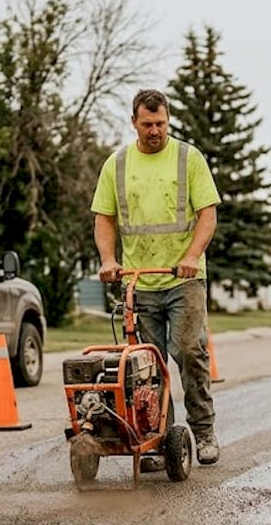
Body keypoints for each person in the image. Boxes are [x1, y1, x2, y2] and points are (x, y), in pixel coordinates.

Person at [92, 89, 222, 469]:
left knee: (187, 351)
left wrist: (191, 256)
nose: (155, 131)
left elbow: (208, 215)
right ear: (134, 122)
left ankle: (203, 430)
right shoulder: (116, 165)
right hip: (138, 281)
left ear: (168, 120)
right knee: (145, 367)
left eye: (161, 123)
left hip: (183, 279)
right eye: (147, 124)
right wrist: (108, 259)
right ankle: (155, 440)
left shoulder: (188, 158)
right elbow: (104, 217)